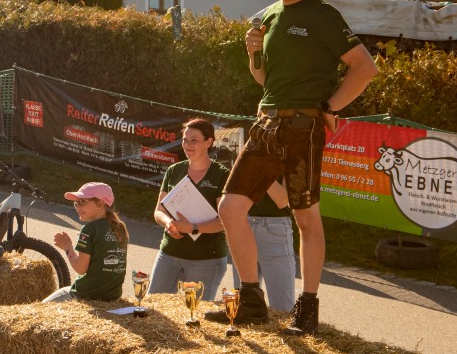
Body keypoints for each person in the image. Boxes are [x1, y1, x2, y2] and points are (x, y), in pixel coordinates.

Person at [217, 0, 378, 336]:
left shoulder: (322, 14)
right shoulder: (268, 16)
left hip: (303, 129)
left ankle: (307, 308)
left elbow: (364, 67)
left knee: (305, 218)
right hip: (266, 122)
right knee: (229, 208)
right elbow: (264, 80)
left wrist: (332, 107)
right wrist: (253, 52)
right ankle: (252, 300)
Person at [147, 118, 229, 302]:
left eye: (194, 140)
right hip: (169, 253)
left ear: (209, 142)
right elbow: (158, 211)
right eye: (184, 140)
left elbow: (224, 221)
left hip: (206, 258)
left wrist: (192, 227)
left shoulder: (222, 174)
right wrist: (170, 224)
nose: (187, 145)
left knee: (195, 315)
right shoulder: (174, 170)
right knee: (154, 309)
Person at [223, 179, 296, 312]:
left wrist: (261, 168)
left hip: (274, 228)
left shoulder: (287, 157)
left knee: (283, 308)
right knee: (245, 306)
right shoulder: (244, 156)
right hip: (244, 223)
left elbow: (282, 200)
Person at [47, 182, 128, 302]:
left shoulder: (89, 229)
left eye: (82, 202)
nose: (77, 207)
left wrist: (67, 247)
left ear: (100, 203)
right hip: (113, 296)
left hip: (86, 293)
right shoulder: (120, 227)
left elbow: (80, 268)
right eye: (76, 203)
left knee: (36, 311)